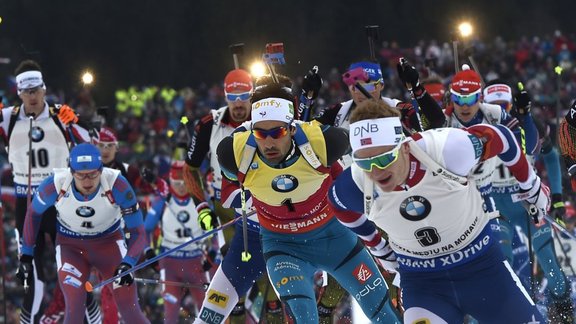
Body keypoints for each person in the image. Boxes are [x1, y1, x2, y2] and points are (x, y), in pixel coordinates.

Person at [329, 98, 547, 322]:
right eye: (365, 163)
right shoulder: (354, 185)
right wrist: (379, 248)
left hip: (482, 268)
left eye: (385, 158)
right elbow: (339, 206)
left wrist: (531, 187)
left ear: (404, 147)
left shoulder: (448, 150)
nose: (376, 171)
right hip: (423, 284)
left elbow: (503, 137)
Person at [216, 83, 401, 323]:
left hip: (334, 239)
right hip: (283, 247)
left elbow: (366, 158)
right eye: (261, 133)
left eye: (278, 133)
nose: (269, 143)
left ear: (292, 129)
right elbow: (228, 196)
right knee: (305, 318)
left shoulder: (323, 142)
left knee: (382, 313)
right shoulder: (234, 154)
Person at [0, 60, 100, 323]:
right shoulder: (8, 117)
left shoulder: (59, 115)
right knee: (32, 275)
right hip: (26, 201)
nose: (32, 97)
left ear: (44, 89)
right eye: (26, 91)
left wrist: (76, 123)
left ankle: (95, 318)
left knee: (70, 268)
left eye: (36, 90)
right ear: (19, 93)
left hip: (59, 200)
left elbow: (94, 143)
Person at [187, 70, 283, 324]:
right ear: (225, 95)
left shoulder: (265, 122)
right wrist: (202, 207)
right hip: (225, 207)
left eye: (244, 96)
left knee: (270, 281)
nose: (239, 103)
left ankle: (273, 311)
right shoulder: (209, 124)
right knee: (236, 272)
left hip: (261, 206)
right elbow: (190, 168)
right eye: (233, 96)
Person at [16, 143, 150, 324]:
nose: (87, 181)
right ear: (71, 172)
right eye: (81, 175)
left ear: (101, 170)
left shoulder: (117, 184)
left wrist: (128, 263)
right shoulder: (55, 184)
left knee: (130, 310)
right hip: (70, 247)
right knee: (74, 307)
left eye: (93, 174)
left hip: (109, 244)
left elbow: (138, 232)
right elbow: (33, 213)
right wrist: (26, 254)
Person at [482, 79, 574, 322]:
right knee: (505, 268)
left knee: (552, 270)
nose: (498, 112)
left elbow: (551, 157)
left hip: (529, 206)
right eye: (494, 106)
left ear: (511, 105)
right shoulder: (476, 127)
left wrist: (556, 199)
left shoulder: (526, 125)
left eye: (504, 105)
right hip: (498, 209)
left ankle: (564, 314)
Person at [314, 59, 445, 168]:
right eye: (355, 87)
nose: (359, 93)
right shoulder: (339, 112)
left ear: (381, 85)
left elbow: (436, 121)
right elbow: (303, 133)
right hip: (353, 186)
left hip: (392, 184)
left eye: (368, 86)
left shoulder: (396, 109)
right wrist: (306, 100)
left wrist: (416, 88)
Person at [144, 161, 211, 323]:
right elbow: (145, 230)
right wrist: (149, 253)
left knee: (207, 308)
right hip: (170, 263)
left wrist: (213, 251)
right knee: (171, 310)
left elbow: (215, 230)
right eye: (176, 183)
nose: (181, 187)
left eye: (184, 183)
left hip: (196, 262)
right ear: (170, 181)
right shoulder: (163, 201)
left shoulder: (201, 199)